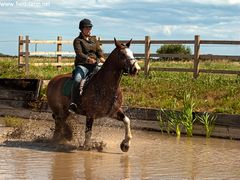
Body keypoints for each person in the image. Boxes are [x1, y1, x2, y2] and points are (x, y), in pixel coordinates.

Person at [68, 18, 105, 113]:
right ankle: (73, 103)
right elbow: (79, 54)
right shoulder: (77, 40)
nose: (89, 30)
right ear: (81, 29)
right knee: (77, 79)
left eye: (90, 28)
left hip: (95, 65)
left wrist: (101, 58)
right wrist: (88, 59)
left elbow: (99, 50)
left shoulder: (94, 39)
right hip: (83, 65)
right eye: (87, 28)